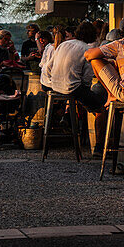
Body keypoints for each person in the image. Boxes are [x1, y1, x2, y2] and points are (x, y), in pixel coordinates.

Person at [48, 21, 107, 151]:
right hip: (72, 88)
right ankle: (99, 147)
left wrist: (53, 82)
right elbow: (86, 79)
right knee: (100, 109)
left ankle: (69, 117)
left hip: (55, 87)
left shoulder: (63, 45)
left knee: (85, 98)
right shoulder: (88, 50)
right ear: (93, 36)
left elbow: (48, 66)